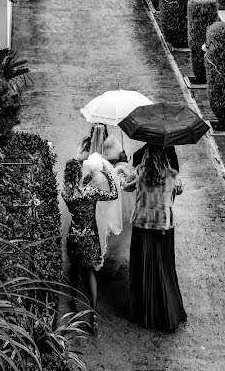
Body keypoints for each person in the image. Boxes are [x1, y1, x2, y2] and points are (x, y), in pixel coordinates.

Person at [124, 144, 187, 332]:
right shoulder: (172, 175)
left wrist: (124, 177)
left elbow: (126, 188)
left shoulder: (140, 172)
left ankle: (144, 312)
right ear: (165, 157)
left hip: (142, 226)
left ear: (147, 156)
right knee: (163, 268)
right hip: (163, 228)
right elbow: (180, 190)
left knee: (143, 269)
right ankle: (167, 311)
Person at [63, 157, 118, 331]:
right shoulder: (90, 192)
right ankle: (93, 314)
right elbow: (113, 194)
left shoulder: (66, 194)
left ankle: (72, 299)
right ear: (80, 174)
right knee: (90, 273)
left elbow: (77, 187)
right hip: (89, 238)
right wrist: (108, 175)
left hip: (74, 236)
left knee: (74, 269)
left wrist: (87, 177)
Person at [76, 125, 125, 260]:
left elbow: (79, 159)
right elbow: (118, 159)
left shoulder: (102, 143)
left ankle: (99, 249)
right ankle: (99, 249)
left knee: (98, 213)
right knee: (104, 212)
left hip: (94, 182)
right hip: (104, 182)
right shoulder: (109, 142)